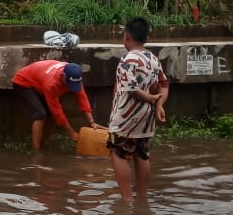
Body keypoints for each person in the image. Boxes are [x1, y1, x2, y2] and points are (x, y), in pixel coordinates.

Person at [108, 17, 169, 201]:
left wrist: (150, 98)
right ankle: (142, 198)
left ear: (126, 36)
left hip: (127, 115)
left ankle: (127, 200)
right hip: (147, 116)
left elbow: (132, 89)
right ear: (146, 38)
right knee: (141, 154)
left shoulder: (127, 59)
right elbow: (164, 84)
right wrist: (158, 105)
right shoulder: (153, 58)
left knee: (118, 153)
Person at [11, 60, 105, 151]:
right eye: (69, 84)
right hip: (24, 82)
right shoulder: (52, 84)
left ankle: (45, 143)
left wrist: (92, 122)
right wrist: (71, 133)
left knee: (51, 116)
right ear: (63, 76)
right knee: (40, 114)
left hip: (40, 79)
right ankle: (36, 152)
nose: (70, 87)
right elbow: (57, 111)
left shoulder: (74, 75)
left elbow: (82, 98)